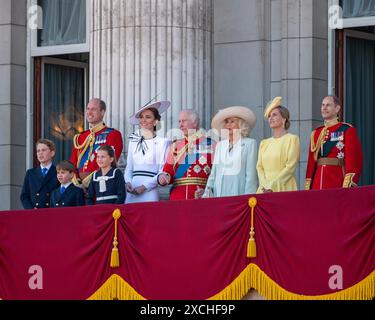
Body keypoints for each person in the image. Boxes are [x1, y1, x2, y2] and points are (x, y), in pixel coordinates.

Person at [305, 95, 363, 190]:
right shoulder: (316, 133)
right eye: (323, 105)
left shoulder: (346, 130)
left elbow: (354, 160)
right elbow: (311, 164)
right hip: (317, 182)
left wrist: (347, 184)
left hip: (337, 180)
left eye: (328, 105)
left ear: (337, 109)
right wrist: (308, 186)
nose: (324, 108)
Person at [158, 109, 214, 200]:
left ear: (194, 123)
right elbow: (168, 171)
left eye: (183, 121)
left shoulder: (211, 145)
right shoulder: (175, 146)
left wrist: (207, 192)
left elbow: (216, 176)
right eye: (179, 121)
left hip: (201, 198)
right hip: (178, 198)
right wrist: (164, 177)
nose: (180, 125)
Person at [203, 106, 258, 198]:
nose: (228, 125)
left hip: (239, 194)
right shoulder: (220, 145)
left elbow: (251, 176)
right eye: (227, 122)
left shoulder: (250, 144)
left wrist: (248, 199)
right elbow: (213, 173)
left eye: (232, 122)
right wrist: (207, 193)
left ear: (241, 125)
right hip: (219, 194)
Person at [124, 101, 171, 204]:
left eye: (148, 117)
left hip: (149, 192)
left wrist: (144, 187)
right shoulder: (133, 141)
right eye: (141, 117)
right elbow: (129, 168)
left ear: (155, 122)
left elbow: (162, 171)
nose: (143, 120)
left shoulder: (164, 142)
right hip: (131, 192)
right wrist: (128, 183)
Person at [70, 99, 123, 188]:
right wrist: (76, 180)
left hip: (101, 184)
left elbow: (111, 161)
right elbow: (73, 162)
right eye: (88, 109)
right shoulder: (80, 137)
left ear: (102, 112)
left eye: (93, 109)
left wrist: (90, 179)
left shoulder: (112, 134)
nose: (89, 112)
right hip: (79, 187)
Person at [256, 97, 300, 193]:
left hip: (284, 187)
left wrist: (273, 185)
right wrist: (265, 185)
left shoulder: (292, 139)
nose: (270, 118)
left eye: (274, 115)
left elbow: (290, 167)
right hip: (264, 189)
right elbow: (259, 167)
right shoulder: (264, 143)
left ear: (284, 119)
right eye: (269, 116)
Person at [20, 139, 60, 209]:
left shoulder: (58, 172)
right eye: (38, 151)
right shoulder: (30, 173)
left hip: (51, 213)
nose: (40, 153)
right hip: (34, 213)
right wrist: (31, 210)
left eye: (43, 150)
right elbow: (24, 196)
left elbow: (60, 195)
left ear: (52, 153)